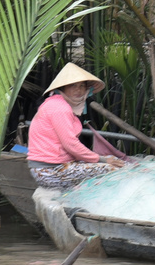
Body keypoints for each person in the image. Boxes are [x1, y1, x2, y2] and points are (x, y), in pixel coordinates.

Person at [26, 63, 129, 191]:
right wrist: (101, 159)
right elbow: (71, 144)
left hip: (55, 166)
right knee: (116, 169)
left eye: (81, 86)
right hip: (50, 170)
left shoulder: (57, 104)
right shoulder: (60, 108)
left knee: (114, 162)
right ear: (62, 88)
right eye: (73, 86)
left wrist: (100, 159)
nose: (78, 90)